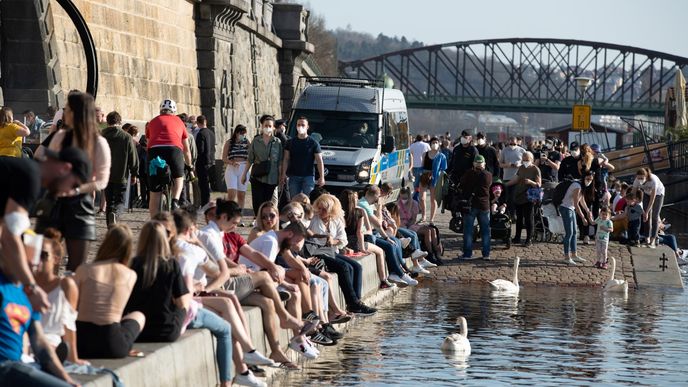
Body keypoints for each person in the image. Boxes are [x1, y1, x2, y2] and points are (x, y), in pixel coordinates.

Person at [1, 147, 93, 313]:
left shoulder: (27, 172)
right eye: (74, 185)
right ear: (65, 168)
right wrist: (31, 287)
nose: (69, 192)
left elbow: (5, 229)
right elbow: (10, 236)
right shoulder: (31, 178)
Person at [42, 92, 112, 271]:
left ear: (77, 113)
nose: (65, 113)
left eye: (68, 109)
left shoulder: (99, 143)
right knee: (47, 263)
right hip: (55, 203)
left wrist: (77, 190)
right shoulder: (60, 137)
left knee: (76, 268)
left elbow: (102, 181)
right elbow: (48, 166)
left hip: (80, 205)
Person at [0, 259, 78, 386]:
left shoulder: (27, 292)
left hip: (15, 365)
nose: (35, 261)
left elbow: (39, 340)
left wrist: (65, 378)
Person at [74, 225, 146, 358]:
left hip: (82, 341)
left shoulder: (84, 269)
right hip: (112, 344)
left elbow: (74, 305)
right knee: (139, 316)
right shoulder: (130, 274)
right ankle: (128, 344)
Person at [125, 221, 189, 342]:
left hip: (140, 329)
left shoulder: (134, 264)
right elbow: (181, 302)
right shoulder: (171, 264)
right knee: (185, 306)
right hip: (166, 329)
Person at [33, 228, 87, 365]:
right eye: (34, 254)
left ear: (56, 259)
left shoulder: (65, 285)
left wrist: (73, 358)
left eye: (43, 255)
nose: (38, 260)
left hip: (50, 341)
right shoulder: (24, 283)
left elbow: (69, 323)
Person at [358, 185, 418, 287]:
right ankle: (400, 274)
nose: (378, 200)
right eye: (378, 197)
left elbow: (378, 225)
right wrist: (380, 207)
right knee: (389, 246)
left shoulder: (368, 204)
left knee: (396, 241)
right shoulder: (364, 205)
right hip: (367, 236)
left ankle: (400, 270)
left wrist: (386, 237)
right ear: (375, 196)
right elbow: (378, 223)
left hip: (372, 234)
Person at [145, 99, 194, 215]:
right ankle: (175, 200)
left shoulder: (152, 122)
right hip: (174, 150)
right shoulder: (179, 121)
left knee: (154, 193)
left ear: (161, 110)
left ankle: (154, 224)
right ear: (174, 110)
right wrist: (190, 166)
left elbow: (148, 144)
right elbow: (186, 149)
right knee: (179, 176)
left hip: (155, 151)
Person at [339, 190, 395, 288]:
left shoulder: (339, 212)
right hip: (355, 243)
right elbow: (359, 232)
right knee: (380, 251)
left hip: (344, 244)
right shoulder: (359, 211)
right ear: (354, 200)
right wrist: (362, 249)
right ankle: (383, 280)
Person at [101, 111, 139, 227]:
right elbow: (133, 157)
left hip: (106, 175)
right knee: (120, 202)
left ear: (107, 122)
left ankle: (110, 228)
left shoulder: (101, 135)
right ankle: (116, 214)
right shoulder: (126, 137)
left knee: (109, 202)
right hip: (121, 175)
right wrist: (134, 173)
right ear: (119, 121)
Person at [242, 115, 283, 216]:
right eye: (265, 125)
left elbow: (280, 162)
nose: (267, 127)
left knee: (267, 204)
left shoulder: (277, 142)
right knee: (257, 203)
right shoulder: (256, 141)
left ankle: (265, 225)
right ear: (262, 126)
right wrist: (244, 174)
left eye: (270, 126)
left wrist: (281, 176)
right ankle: (258, 222)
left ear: (273, 127)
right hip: (258, 177)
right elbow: (250, 159)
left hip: (272, 178)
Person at [396, 187, 443, 265]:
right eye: (402, 197)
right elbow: (397, 219)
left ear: (409, 196)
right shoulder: (398, 205)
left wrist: (412, 223)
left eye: (405, 198)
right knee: (427, 231)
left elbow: (413, 219)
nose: (404, 199)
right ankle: (430, 254)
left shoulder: (414, 204)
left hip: (411, 224)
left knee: (432, 230)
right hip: (403, 226)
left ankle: (436, 252)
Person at [281, 117, 325, 197]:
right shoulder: (290, 142)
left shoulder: (313, 143)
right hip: (293, 176)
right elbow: (286, 159)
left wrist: (322, 177)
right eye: (298, 125)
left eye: (303, 125)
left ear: (307, 127)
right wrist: (283, 174)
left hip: (308, 177)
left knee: (307, 201)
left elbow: (319, 160)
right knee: (294, 201)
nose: (300, 127)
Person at [459, 155, 492, 260]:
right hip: (484, 205)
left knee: (468, 231)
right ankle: (486, 254)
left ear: (474, 164)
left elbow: (462, 183)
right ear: (484, 164)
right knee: (485, 231)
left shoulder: (469, 173)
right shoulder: (488, 175)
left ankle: (467, 254)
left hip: (471, 205)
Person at [506, 151, 541, 247]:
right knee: (519, 218)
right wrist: (505, 184)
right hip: (519, 195)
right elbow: (516, 179)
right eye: (524, 159)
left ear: (532, 160)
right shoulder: (521, 167)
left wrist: (530, 182)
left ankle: (529, 239)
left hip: (529, 197)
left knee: (529, 218)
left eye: (527, 160)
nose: (525, 161)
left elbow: (538, 184)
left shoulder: (535, 169)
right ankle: (517, 237)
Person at [559, 172, 594, 265]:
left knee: (574, 232)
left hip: (570, 209)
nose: (589, 181)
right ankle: (567, 257)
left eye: (591, 180)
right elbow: (576, 203)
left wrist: (588, 211)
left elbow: (582, 200)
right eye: (588, 179)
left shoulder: (581, 186)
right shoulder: (577, 186)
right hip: (566, 208)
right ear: (583, 178)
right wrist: (583, 217)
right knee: (569, 233)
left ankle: (574, 255)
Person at [633, 168, 666, 247]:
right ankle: (646, 238)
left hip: (658, 194)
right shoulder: (637, 180)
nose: (640, 180)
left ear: (646, 176)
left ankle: (653, 239)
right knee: (645, 217)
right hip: (647, 194)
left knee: (654, 216)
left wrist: (647, 211)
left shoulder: (653, 180)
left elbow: (653, 198)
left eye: (642, 178)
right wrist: (632, 202)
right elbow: (633, 192)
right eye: (639, 178)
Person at [418, 137, 448, 223]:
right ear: (430, 144)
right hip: (424, 176)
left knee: (433, 199)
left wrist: (440, 177)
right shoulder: (425, 154)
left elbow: (444, 169)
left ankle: (432, 219)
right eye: (433, 142)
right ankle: (423, 216)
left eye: (436, 142)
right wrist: (421, 173)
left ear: (439, 144)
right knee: (422, 198)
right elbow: (421, 165)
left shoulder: (442, 156)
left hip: (435, 178)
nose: (434, 144)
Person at [223, 124, 249, 210]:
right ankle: (228, 214)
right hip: (232, 168)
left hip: (243, 168)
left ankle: (239, 217)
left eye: (244, 134)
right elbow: (224, 158)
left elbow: (251, 155)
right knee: (231, 194)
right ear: (237, 133)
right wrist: (231, 162)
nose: (243, 135)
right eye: (242, 133)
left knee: (241, 195)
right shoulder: (229, 142)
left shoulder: (247, 142)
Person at [498, 136, 526, 218]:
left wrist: (520, 165)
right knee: (508, 197)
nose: (512, 145)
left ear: (517, 142)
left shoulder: (522, 150)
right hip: (507, 177)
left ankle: (516, 214)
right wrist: (507, 165)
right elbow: (500, 164)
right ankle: (510, 214)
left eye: (514, 143)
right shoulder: (504, 150)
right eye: (511, 143)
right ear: (508, 142)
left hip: (518, 177)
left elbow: (527, 163)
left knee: (516, 197)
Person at [194, 116, 215, 206]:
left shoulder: (200, 134)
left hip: (202, 162)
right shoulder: (211, 133)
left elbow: (200, 149)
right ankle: (208, 203)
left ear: (198, 123)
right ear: (205, 122)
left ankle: (205, 204)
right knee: (209, 184)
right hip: (211, 161)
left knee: (203, 185)